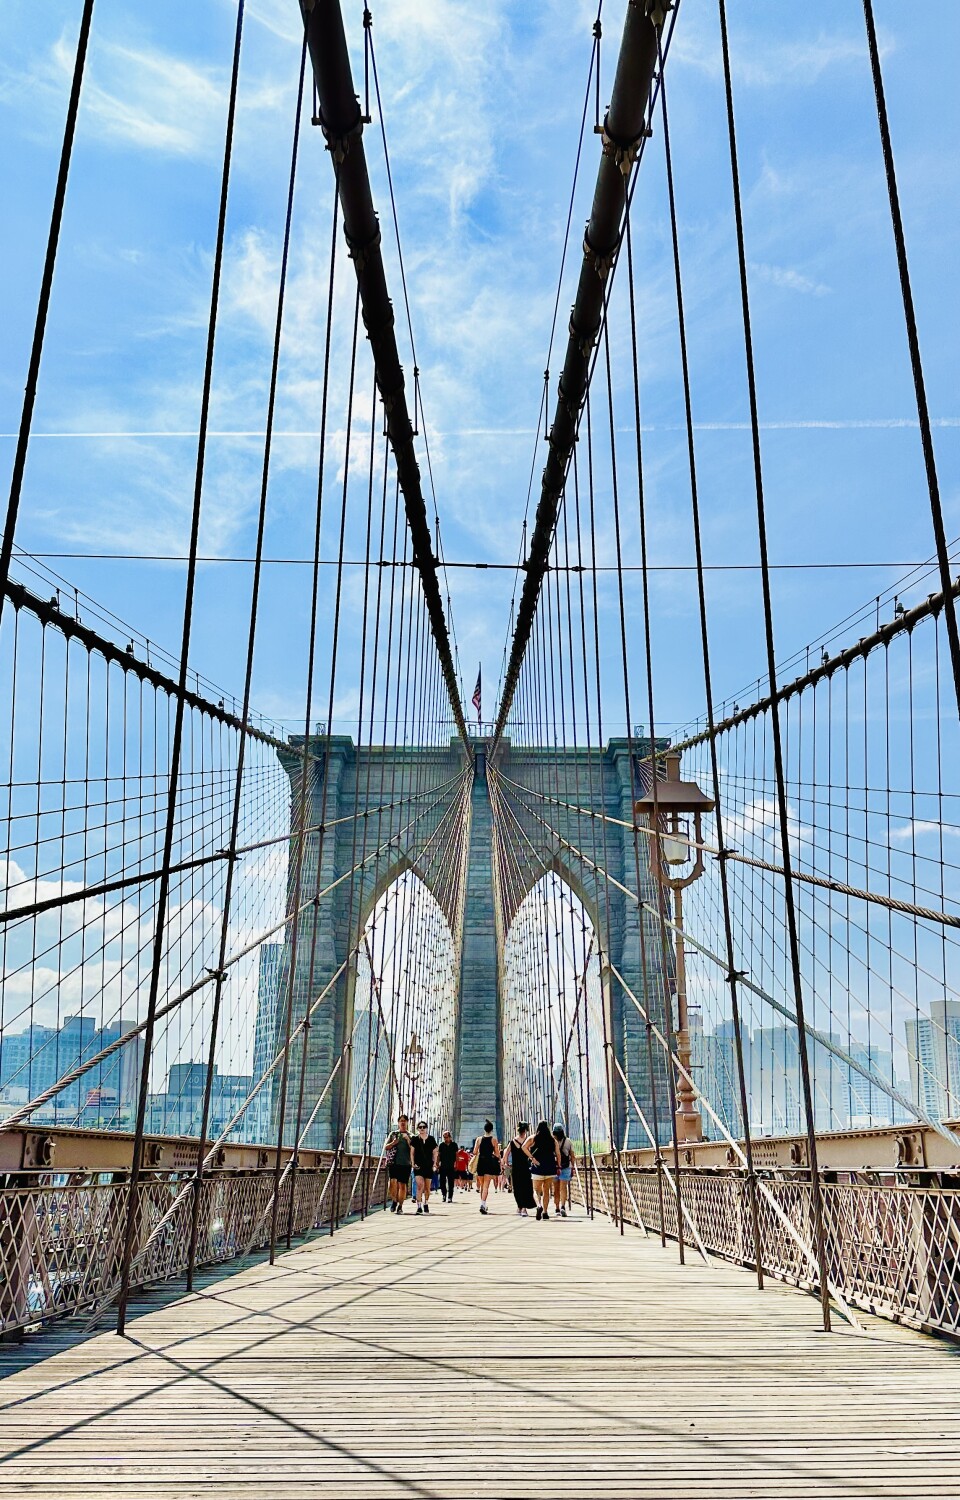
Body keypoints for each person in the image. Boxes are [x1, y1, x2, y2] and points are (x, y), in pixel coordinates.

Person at [523, 1120, 561, 1220]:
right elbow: (558, 1154)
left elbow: (524, 1147)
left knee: (536, 1190)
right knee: (546, 1190)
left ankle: (539, 1205)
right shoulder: (553, 1140)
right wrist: (559, 1166)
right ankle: (545, 1212)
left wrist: (532, 1158)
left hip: (537, 1167)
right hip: (550, 1168)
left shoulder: (533, 1138)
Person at [504, 1121, 535, 1216]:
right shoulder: (528, 1141)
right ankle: (524, 1208)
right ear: (525, 1130)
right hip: (525, 1167)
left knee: (517, 1187)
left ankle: (519, 1206)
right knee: (526, 1187)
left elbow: (506, 1153)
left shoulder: (513, 1141)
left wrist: (506, 1163)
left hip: (516, 1168)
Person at [385, 1113, 413, 1214]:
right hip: (393, 1163)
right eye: (401, 1121)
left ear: (407, 1123)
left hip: (406, 1164)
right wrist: (393, 1143)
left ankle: (400, 1206)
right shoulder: (393, 1134)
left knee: (402, 1185)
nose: (402, 1122)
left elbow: (414, 1150)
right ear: (398, 1123)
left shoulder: (411, 1136)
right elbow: (386, 1147)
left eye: (404, 1121)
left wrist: (408, 1140)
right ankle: (394, 1201)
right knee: (392, 1183)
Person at [473, 1119, 501, 1214]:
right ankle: (483, 1204)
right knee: (486, 1186)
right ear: (492, 1130)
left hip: (481, 1162)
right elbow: (497, 1154)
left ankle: (483, 1204)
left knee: (481, 1186)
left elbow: (475, 1152)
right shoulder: (493, 1140)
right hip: (489, 1162)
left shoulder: (479, 1139)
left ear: (484, 1129)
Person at [412, 1120, 438, 1214]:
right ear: (418, 1129)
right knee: (420, 1185)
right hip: (418, 1166)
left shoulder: (431, 1139)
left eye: (424, 1127)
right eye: (420, 1127)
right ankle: (419, 1206)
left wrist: (435, 1163)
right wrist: (412, 1163)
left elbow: (435, 1152)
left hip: (428, 1166)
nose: (422, 1129)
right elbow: (412, 1152)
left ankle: (426, 1203)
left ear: (426, 1128)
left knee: (427, 1188)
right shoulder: (415, 1139)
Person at [552, 1124, 575, 1218]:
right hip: (566, 1167)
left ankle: (557, 1208)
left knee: (556, 1188)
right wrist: (572, 1167)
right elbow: (572, 1156)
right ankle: (563, 1206)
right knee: (563, 1188)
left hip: (554, 1167)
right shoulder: (568, 1141)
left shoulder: (551, 1141)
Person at [437, 1130, 458, 1203]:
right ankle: (444, 1195)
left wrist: (456, 1164)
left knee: (451, 1183)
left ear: (450, 1137)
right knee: (442, 1182)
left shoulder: (454, 1145)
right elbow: (439, 1155)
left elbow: (456, 1155)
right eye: (444, 1137)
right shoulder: (441, 1145)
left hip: (451, 1166)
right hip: (443, 1166)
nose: (445, 1139)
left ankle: (450, 1197)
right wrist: (437, 1164)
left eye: (446, 1137)